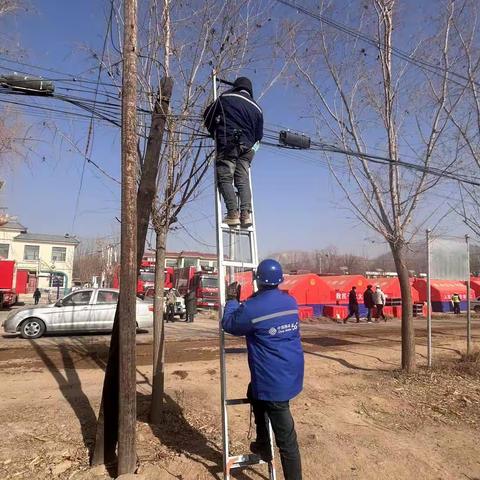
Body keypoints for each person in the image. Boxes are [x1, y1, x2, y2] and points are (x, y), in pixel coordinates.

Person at [222, 259, 303, 480]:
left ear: (258, 279)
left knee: (287, 440)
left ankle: (269, 449)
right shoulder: (290, 301)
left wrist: (231, 301)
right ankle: (263, 445)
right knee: (253, 393)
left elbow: (230, 324)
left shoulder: (253, 308)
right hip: (290, 372)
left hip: (273, 380)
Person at [203, 76, 263, 228]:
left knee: (225, 177)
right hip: (248, 149)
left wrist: (214, 132)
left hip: (229, 143)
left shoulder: (226, 97)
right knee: (242, 179)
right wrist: (252, 150)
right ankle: (246, 214)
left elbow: (208, 116)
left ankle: (232, 214)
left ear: (236, 87)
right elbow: (259, 137)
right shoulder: (257, 108)